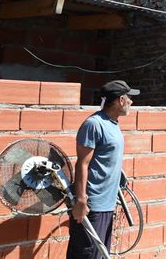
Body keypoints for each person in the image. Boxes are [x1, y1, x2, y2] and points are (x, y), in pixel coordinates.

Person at [67, 80, 139, 259]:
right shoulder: (94, 124)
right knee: (86, 254)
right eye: (129, 98)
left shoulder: (113, 124)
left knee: (100, 255)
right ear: (121, 100)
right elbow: (82, 163)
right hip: (92, 206)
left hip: (108, 204)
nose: (131, 102)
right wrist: (81, 201)